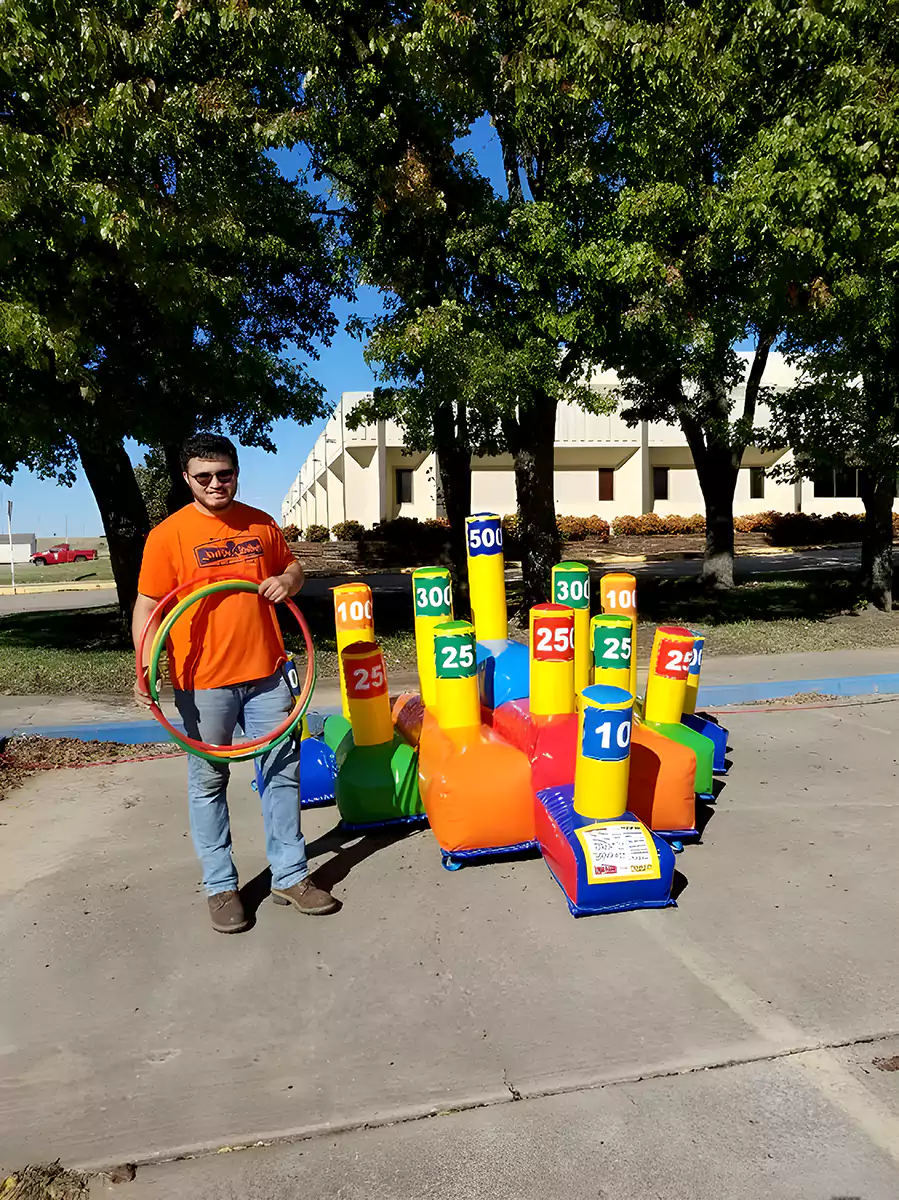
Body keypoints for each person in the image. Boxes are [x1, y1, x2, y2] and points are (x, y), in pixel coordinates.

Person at [133, 433, 337, 933]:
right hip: (202, 681)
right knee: (208, 782)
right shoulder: (168, 535)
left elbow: (292, 567)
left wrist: (289, 581)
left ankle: (290, 876)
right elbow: (148, 606)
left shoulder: (260, 523)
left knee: (282, 772)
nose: (215, 484)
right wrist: (143, 663)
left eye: (224, 474)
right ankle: (221, 887)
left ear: (236, 473)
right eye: (203, 477)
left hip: (267, 673)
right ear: (186, 479)